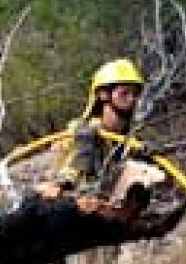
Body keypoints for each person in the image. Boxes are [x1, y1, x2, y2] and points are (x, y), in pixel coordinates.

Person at [41, 57, 165, 218]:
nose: (132, 99)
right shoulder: (82, 132)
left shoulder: (131, 139)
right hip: (68, 206)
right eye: (124, 93)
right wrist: (63, 185)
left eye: (135, 94)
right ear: (103, 94)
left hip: (107, 207)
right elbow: (66, 175)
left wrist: (151, 158)